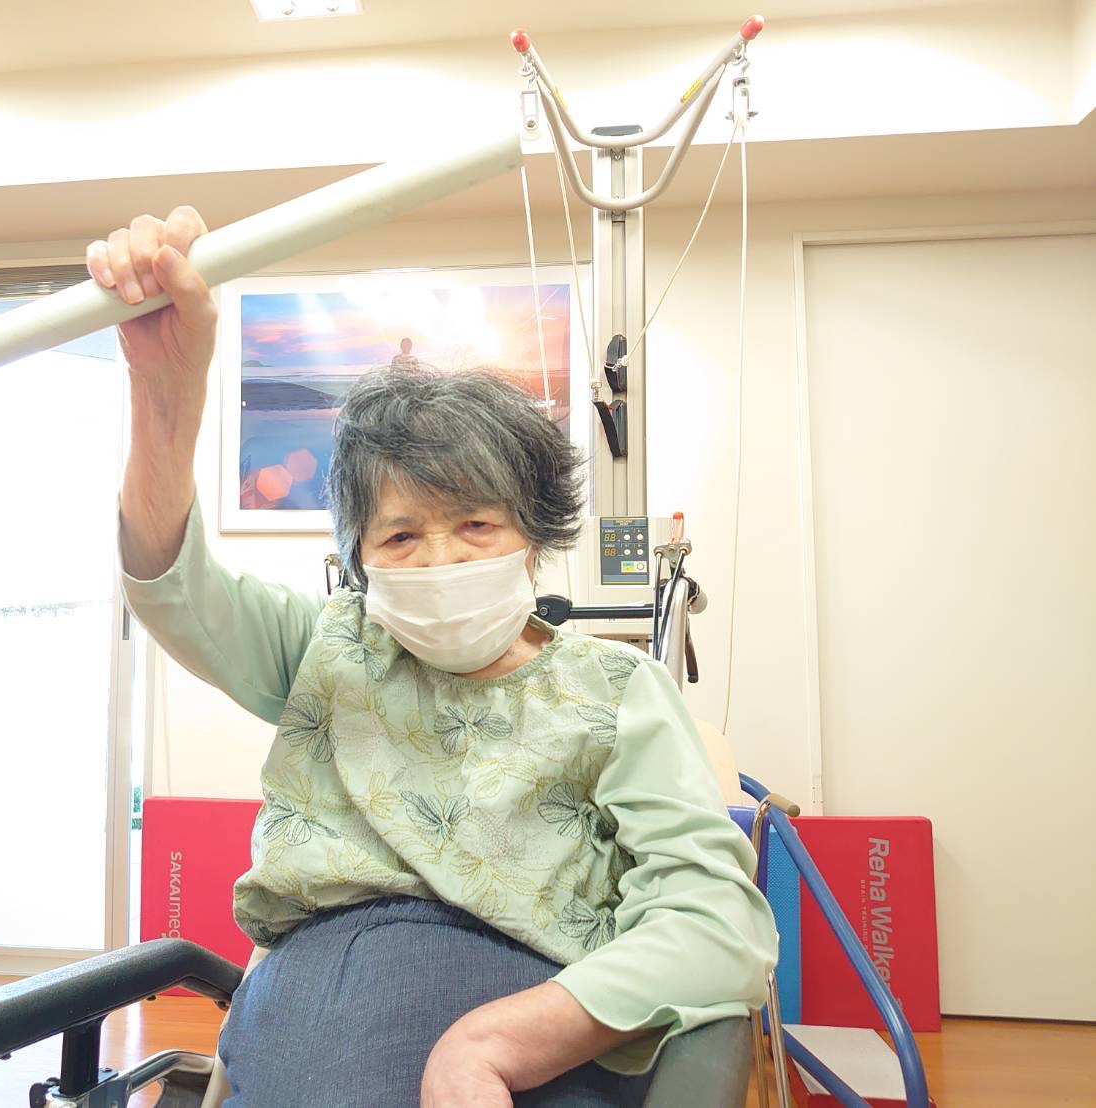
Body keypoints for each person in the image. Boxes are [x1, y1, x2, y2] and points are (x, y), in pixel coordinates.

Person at [87, 209, 776, 1108]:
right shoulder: (326, 648)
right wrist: (164, 391)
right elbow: (169, 585)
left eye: (477, 523)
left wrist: (493, 1042)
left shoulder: (618, 692)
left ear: (534, 537)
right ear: (359, 558)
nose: (441, 560)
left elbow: (713, 921)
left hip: (543, 1011)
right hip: (326, 993)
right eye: (401, 534)